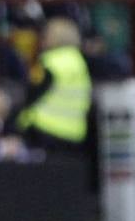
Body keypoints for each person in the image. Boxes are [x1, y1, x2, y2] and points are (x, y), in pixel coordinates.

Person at [15, 16, 92, 157]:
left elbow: (33, 94)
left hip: (46, 130)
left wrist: (19, 123)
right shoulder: (80, 62)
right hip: (75, 132)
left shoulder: (50, 61)